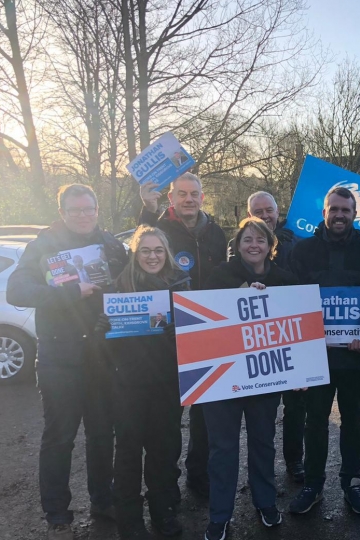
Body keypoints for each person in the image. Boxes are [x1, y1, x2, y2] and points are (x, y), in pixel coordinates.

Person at [7, 184, 128, 540]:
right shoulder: (42, 246)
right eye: (75, 210)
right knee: (60, 437)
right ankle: (57, 512)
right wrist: (71, 292)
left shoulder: (110, 244)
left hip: (102, 354)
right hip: (59, 354)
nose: (82, 215)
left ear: (96, 210)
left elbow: (129, 284)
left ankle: (102, 500)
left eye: (88, 209)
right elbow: (16, 291)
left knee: (102, 434)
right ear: (62, 212)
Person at [202, 217, 298, 540]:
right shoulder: (219, 276)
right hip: (223, 379)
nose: (253, 245)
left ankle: (266, 502)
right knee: (222, 449)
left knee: (263, 442)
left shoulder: (286, 281)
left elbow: (296, 330)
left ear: (271, 246)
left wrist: (300, 369)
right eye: (247, 240)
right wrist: (239, 296)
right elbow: (204, 320)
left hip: (264, 378)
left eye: (260, 240)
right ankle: (219, 515)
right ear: (238, 245)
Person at [287, 186, 360, 516]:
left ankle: (352, 482)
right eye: (334, 209)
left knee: (354, 420)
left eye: (346, 210)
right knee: (315, 421)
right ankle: (313, 483)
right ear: (323, 213)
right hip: (315, 355)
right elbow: (292, 301)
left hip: (356, 354)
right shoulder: (302, 251)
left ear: (355, 215)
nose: (339, 215)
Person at [95, 226, 190, 539]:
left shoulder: (181, 284)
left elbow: (197, 333)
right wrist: (104, 327)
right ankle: (130, 520)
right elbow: (101, 344)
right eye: (146, 251)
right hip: (128, 384)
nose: (153, 256)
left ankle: (163, 512)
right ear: (136, 254)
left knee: (164, 450)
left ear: (167, 253)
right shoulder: (119, 286)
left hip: (166, 382)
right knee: (128, 453)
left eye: (158, 250)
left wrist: (182, 330)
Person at [139, 173, 227, 499]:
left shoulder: (216, 233)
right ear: (171, 197)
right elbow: (139, 252)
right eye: (182, 193)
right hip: (168, 339)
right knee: (167, 419)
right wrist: (147, 211)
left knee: (205, 417)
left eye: (194, 193)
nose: (188, 199)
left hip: (208, 336)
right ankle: (165, 487)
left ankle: (198, 476)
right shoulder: (159, 230)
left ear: (202, 197)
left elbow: (227, 278)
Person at [229, 190, 305, 482]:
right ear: (249, 216)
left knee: (296, 404)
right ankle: (259, 471)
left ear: (277, 211)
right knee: (262, 407)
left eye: (268, 210)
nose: (264, 216)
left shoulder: (296, 243)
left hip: (289, 331)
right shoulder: (237, 246)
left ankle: (294, 459)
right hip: (254, 337)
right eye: (257, 211)